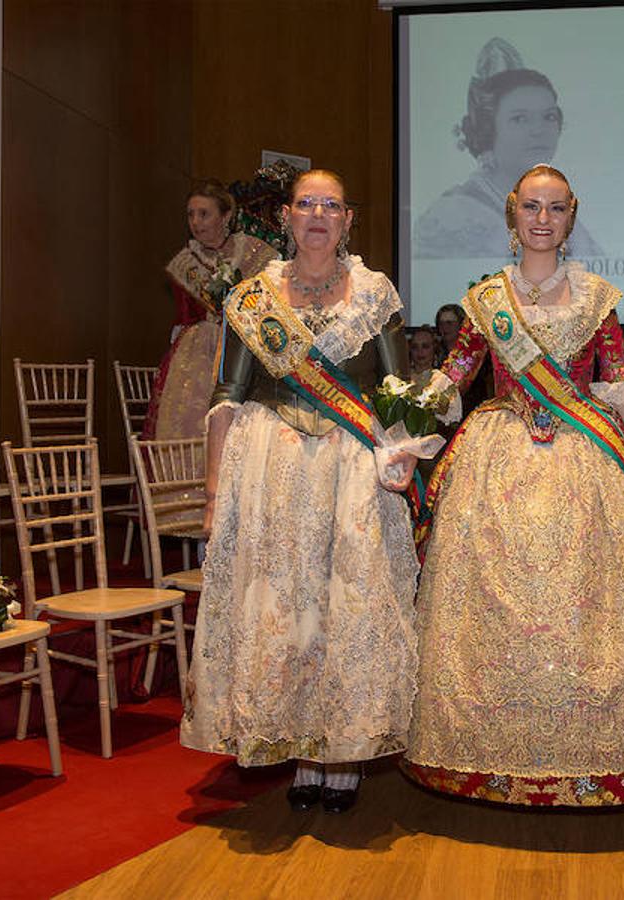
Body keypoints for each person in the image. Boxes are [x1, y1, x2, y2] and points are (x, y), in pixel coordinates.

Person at [404, 165, 624, 807]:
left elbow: (621, 388)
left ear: (572, 216)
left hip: (586, 462)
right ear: (511, 214)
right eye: (532, 207)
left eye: (556, 208)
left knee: (591, 600)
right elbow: (456, 372)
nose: (543, 219)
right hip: (496, 463)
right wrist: (404, 419)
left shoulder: (596, 298)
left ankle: (596, 753)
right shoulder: (486, 299)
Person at [181, 169, 420, 815]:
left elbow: (397, 394)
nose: (318, 214)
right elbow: (227, 397)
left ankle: (340, 755)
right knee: (286, 610)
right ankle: (296, 749)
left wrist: (402, 456)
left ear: (348, 221)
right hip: (271, 470)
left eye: (332, 205)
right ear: (286, 217)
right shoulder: (252, 298)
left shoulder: (376, 294)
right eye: (306, 203)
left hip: (352, 467)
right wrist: (212, 496)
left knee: (348, 607)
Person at [413, 37, 602, 260]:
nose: (538, 130)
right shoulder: (456, 215)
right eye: (520, 119)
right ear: (489, 129)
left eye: (548, 117)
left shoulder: (560, 211)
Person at [146, 180, 279, 440]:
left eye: (204, 214)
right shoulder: (185, 263)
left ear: (226, 215)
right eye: (191, 214)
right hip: (197, 356)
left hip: (243, 349)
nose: (196, 222)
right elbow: (183, 318)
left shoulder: (254, 252)